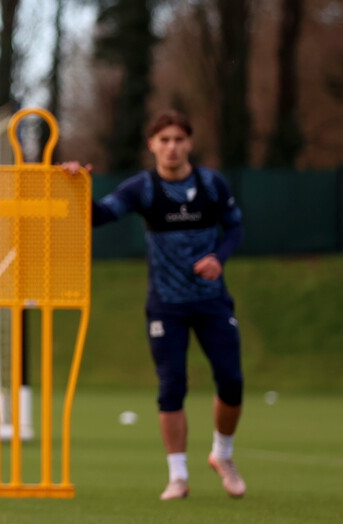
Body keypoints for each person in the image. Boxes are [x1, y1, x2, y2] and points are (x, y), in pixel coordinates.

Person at [62, 110, 246, 501]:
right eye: (164, 140)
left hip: (212, 301)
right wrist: (78, 185)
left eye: (179, 139)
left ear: (189, 143)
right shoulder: (143, 188)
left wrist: (219, 258)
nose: (172, 147)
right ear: (152, 146)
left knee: (232, 382)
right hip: (166, 305)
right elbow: (99, 216)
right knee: (171, 387)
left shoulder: (211, 184)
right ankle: (177, 477)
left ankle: (223, 456)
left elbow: (235, 226)